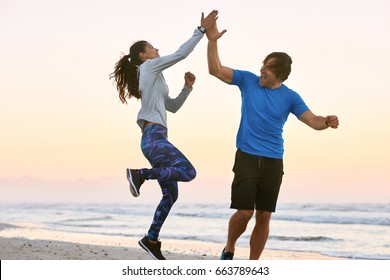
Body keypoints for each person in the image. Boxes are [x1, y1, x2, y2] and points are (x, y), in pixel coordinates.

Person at [206, 21, 339, 260]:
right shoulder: (247, 80)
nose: (261, 70)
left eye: (268, 68)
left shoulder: (290, 97)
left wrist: (326, 121)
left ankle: (253, 265)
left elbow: (312, 120)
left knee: (264, 216)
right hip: (247, 156)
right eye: (263, 65)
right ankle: (229, 248)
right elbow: (215, 69)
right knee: (245, 212)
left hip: (273, 161)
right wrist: (212, 39)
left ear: (280, 75)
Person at [109, 10, 219, 260]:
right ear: (142, 55)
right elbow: (181, 53)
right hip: (154, 137)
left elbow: (173, 106)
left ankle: (151, 238)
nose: (157, 49)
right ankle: (139, 174)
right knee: (188, 171)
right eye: (152, 47)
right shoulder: (149, 66)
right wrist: (200, 31)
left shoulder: (153, 75)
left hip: (154, 137)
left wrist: (187, 88)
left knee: (171, 194)